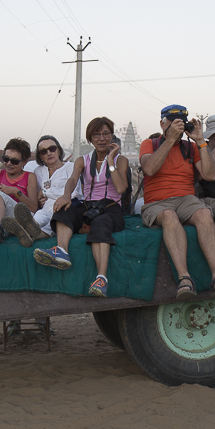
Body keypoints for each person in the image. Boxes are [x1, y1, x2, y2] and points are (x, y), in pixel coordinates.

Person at [139, 104, 215, 299]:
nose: (177, 127)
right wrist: (169, 140)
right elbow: (149, 169)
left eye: (180, 123)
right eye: (172, 122)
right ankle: (184, 279)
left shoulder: (190, 147)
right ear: (162, 123)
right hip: (157, 202)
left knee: (204, 213)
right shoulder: (150, 144)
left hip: (186, 198)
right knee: (169, 216)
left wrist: (200, 141)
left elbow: (209, 175)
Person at [33, 117, 129, 298]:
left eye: (106, 134)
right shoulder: (83, 160)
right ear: (90, 138)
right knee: (64, 209)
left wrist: (110, 161)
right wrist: (66, 195)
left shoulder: (120, 160)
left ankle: (101, 279)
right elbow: (72, 180)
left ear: (112, 137)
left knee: (101, 224)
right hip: (89, 205)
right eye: (97, 134)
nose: (102, 138)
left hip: (111, 207)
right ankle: (62, 251)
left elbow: (121, 188)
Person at [3, 135, 82, 242]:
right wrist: (39, 199)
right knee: (38, 218)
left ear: (59, 150)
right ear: (40, 156)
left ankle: (23, 230)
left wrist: (45, 192)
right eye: (43, 151)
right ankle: (26, 231)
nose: (49, 153)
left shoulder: (70, 167)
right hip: (45, 208)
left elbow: (75, 193)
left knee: (53, 223)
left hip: (65, 208)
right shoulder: (38, 171)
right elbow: (35, 196)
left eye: (52, 149)